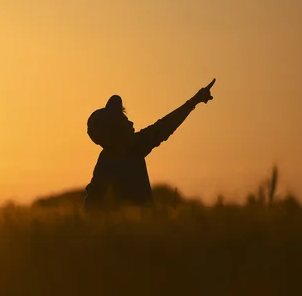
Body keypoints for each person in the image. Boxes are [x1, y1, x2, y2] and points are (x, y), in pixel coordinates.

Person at [83, 79, 216, 211]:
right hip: (138, 228)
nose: (130, 122)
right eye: (123, 119)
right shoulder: (133, 148)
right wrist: (193, 101)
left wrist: (194, 101)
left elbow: (92, 200)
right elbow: (164, 126)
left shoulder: (110, 158)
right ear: (116, 130)